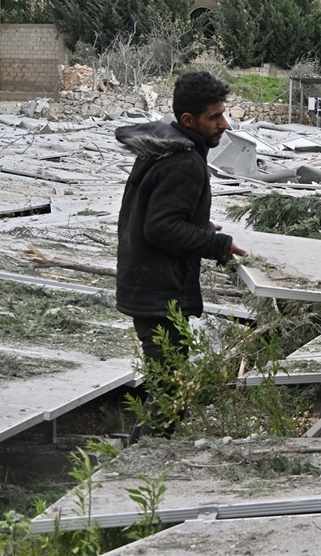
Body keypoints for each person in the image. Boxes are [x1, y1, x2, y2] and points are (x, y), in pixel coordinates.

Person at [115, 71, 247, 441]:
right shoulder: (184, 163)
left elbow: (159, 215)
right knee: (170, 392)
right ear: (188, 121)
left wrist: (202, 228)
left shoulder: (165, 146)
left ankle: (144, 453)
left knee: (168, 385)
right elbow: (160, 228)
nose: (224, 123)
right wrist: (217, 246)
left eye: (223, 113)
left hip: (145, 284)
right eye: (214, 117)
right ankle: (141, 461)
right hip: (159, 293)